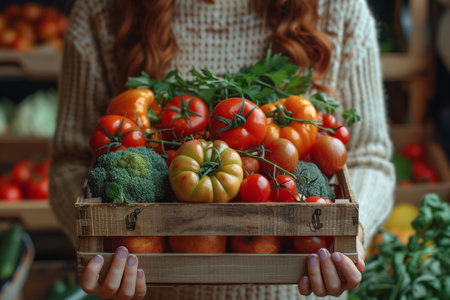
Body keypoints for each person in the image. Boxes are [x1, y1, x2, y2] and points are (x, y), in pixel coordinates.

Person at [49, 0, 395, 299]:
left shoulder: (338, 9)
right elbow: (70, 162)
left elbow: (370, 157)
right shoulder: (103, 11)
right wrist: (94, 243)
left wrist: (352, 233)